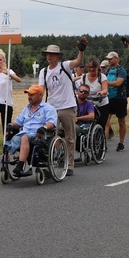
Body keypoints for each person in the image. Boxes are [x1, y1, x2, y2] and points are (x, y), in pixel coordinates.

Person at [38, 39, 87, 175]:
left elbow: (77, 61)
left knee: (70, 137)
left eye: (52, 54)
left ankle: (70, 165)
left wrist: (81, 50)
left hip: (68, 106)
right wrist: (38, 104)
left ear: (58, 56)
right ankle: (50, 166)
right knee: (49, 137)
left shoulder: (64, 66)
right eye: (48, 54)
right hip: (52, 108)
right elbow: (41, 89)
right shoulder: (43, 72)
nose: (49, 56)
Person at [6, 85, 58, 178]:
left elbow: (52, 122)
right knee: (9, 139)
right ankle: (8, 160)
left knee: (24, 138)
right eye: (29, 95)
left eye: (32, 95)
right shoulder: (26, 109)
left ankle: (20, 166)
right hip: (24, 133)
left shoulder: (48, 108)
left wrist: (44, 128)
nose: (29, 97)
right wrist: (10, 125)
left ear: (40, 95)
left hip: (38, 134)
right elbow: (18, 123)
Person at [104, 50, 129, 151]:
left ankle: (121, 142)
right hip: (108, 98)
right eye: (108, 59)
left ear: (116, 59)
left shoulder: (121, 70)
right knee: (106, 121)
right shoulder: (107, 71)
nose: (109, 60)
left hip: (120, 99)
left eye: (111, 58)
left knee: (121, 121)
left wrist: (106, 83)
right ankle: (104, 143)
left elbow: (119, 83)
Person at [76, 57, 109, 130]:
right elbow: (81, 88)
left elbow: (105, 89)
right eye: (90, 67)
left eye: (93, 67)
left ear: (97, 67)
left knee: (101, 124)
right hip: (88, 104)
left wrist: (102, 92)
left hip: (101, 104)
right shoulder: (84, 78)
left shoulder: (102, 77)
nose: (91, 69)